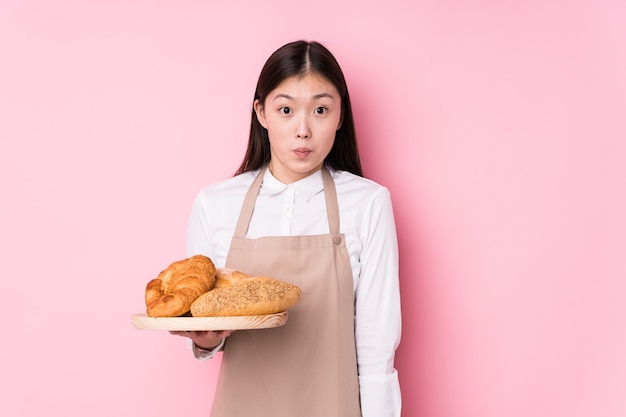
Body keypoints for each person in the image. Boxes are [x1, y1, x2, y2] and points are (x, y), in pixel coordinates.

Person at [171, 40, 401, 417]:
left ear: (341, 115)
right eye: (286, 109)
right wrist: (204, 340)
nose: (303, 130)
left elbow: (376, 348)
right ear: (261, 112)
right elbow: (204, 335)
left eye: (321, 109)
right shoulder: (215, 204)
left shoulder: (368, 203)